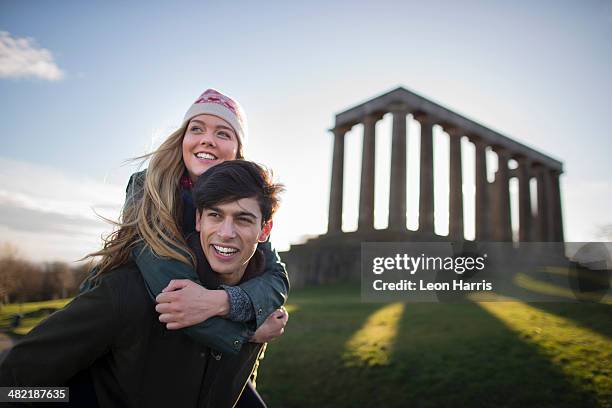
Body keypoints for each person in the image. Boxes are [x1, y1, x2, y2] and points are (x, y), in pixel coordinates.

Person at [0, 160, 285, 408]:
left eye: (243, 220)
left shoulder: (261, 306)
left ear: (264, 230)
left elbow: (238, 383)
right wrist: (76, 401)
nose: (226, 233)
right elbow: (11, 383)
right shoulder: (128, 292)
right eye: (215, 215)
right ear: (198, 219)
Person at [83, 88, 289, 406]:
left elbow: (275, 276)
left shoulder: (245, 200)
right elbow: (176, 294)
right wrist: (245, 332)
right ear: (183, 139)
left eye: (222, 133)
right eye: (197, 128)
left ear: (237, 150)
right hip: (118, 337)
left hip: (199, 355)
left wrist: (225, 301)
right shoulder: (148, 188)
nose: (207, 139)